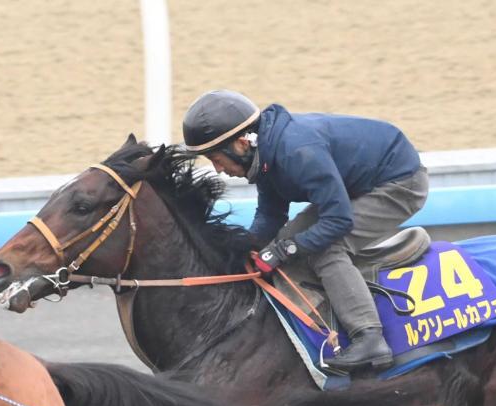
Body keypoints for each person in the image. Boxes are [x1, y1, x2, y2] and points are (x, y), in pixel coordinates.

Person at [182, 90, 429, 372]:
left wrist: (283, 250)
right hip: (360, 185)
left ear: (240, 144)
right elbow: (271, 214)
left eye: (216, 158)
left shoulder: (295, 152)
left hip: (400, 183)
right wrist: (248, 250)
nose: (217, 169)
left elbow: (338, 221)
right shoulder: (265, 153)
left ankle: (369, 337)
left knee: (327, 248)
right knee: (284, 242)